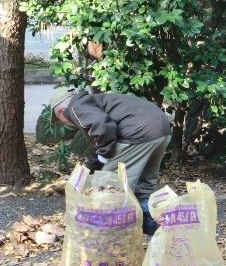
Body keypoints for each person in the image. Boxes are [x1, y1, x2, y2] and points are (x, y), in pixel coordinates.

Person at [49, 87, 172, 234]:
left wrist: (103, 155)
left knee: (110, 189)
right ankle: (156, 233)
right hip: (160, 130)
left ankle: (111, 238)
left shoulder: (75, 107)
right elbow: (100, 140)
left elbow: (103, 128)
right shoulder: (92, 101)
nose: (63, 122)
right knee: (143, 187)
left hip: (137, 133)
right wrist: (93, 165)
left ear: (62, 111)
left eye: (59, 119)